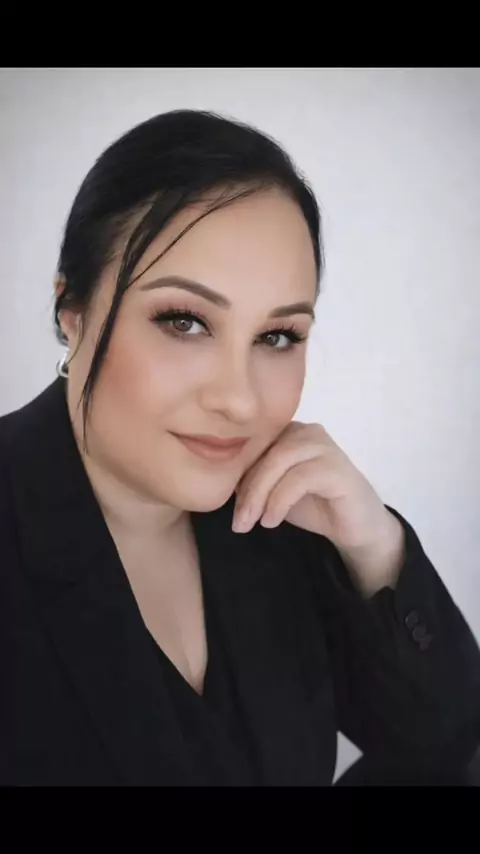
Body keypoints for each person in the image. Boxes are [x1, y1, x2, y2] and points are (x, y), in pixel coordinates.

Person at [1, 110, 479, 787]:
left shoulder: (280, 518)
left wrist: (375, 548)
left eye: (278, 336)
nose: (241, 401)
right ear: (71, 312)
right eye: (185, 321)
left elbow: (447, 744)